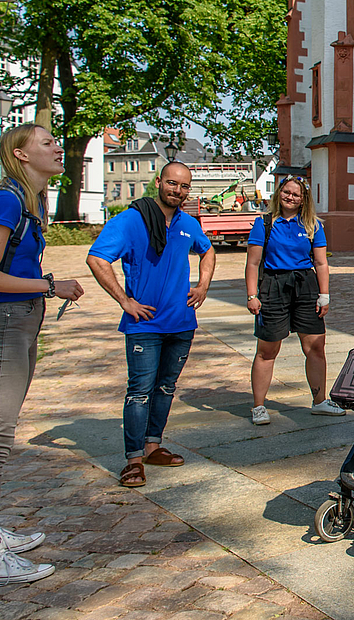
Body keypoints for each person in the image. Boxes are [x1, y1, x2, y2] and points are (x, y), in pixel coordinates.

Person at [0, 124, 85, 586]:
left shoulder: (27, 202)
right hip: (2, 326)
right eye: (47, 143)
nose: (58, 148)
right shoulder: (7, 200)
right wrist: (51, 285)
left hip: (18, 323)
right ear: (20, 153)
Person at [87, 162, 216, 489]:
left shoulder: (188, 223)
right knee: (140, 392)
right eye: (172, 183)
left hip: (181, 322)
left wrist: (202, 286)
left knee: (165, 387)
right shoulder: (132, 221)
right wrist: (124, 300)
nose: (178, 191)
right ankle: (133, 460)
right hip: (143, 323)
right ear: (158, 182)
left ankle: (152, 446)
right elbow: (97, 258)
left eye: (184, 186)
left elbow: (208, 251)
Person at [245, 176, 339, 425]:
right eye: (286, 192)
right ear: (279, 194)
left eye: (295, 194)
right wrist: (252, 295)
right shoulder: (264, 223)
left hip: (305, 287)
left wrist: (324, 294)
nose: (290, 197)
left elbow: (321, 262)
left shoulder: (313, 225)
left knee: (315, 347)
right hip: (273, 286)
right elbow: (253, 263)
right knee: (267, 350)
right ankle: (259, 406)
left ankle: (319, 402)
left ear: (303, 199)